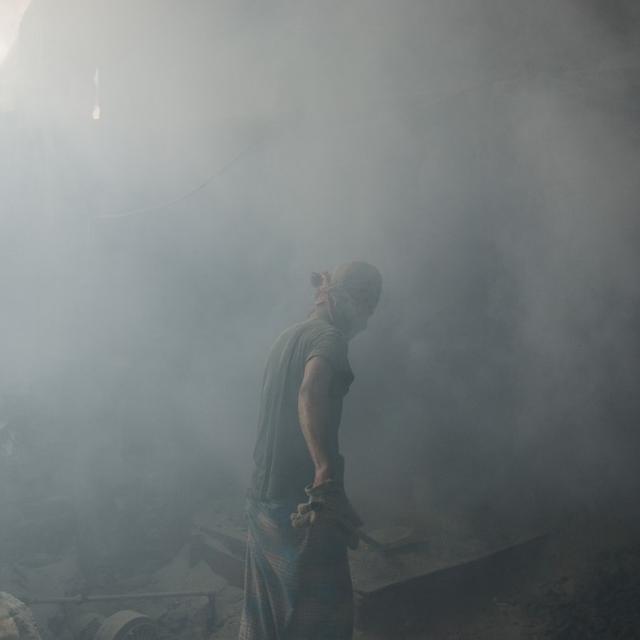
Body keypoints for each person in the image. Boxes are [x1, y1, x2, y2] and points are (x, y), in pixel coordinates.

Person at [238, 261, 382, 640]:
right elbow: (310, 391)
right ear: (348, 300)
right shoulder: (328, 339)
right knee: (324, 617)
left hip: (262, 500)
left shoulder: (287, 336)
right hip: (301, 504)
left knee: (268, 614)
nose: (365, 322)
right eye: (368, 309)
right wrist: (323, 470)